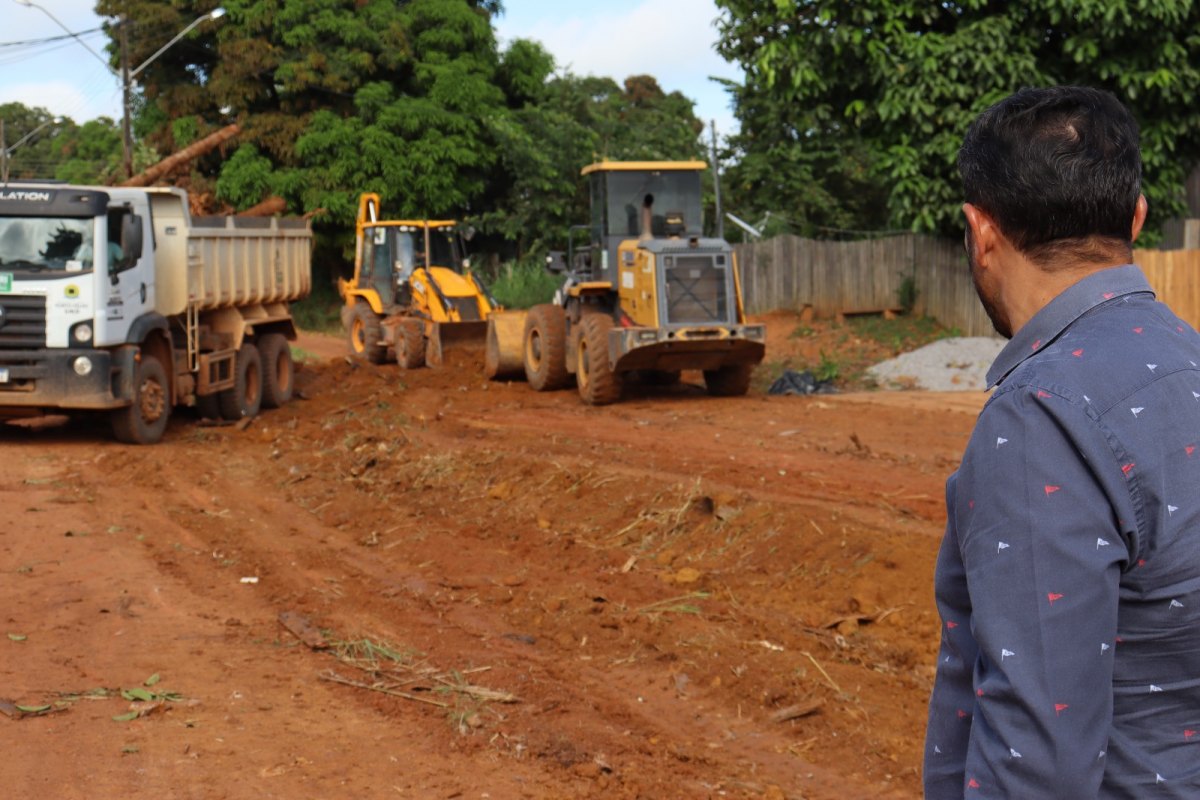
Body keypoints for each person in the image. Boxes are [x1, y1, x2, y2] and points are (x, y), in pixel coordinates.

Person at [925, 85, 1200, 798]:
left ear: (980, 230)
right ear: (1136, 219)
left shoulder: (1042, 417)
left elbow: (1039, 767)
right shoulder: (1190, 365)